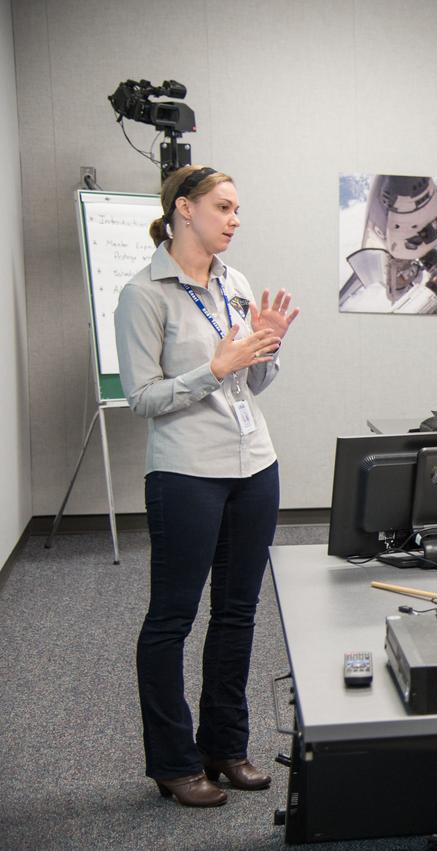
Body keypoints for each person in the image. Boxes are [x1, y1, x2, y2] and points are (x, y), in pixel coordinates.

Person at [116, 165, 300, 807]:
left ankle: (226, 746)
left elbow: (250, 383)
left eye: (237, 208)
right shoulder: (144, 294)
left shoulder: (236, 283)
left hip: (254, 464)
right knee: (171, 619)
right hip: (186, 472)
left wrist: (267, 349)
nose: (235, 219)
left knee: (238, 612)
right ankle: (173, 760)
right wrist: (211, 367)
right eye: (224, 206)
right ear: (184, 210)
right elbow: (140, 398)